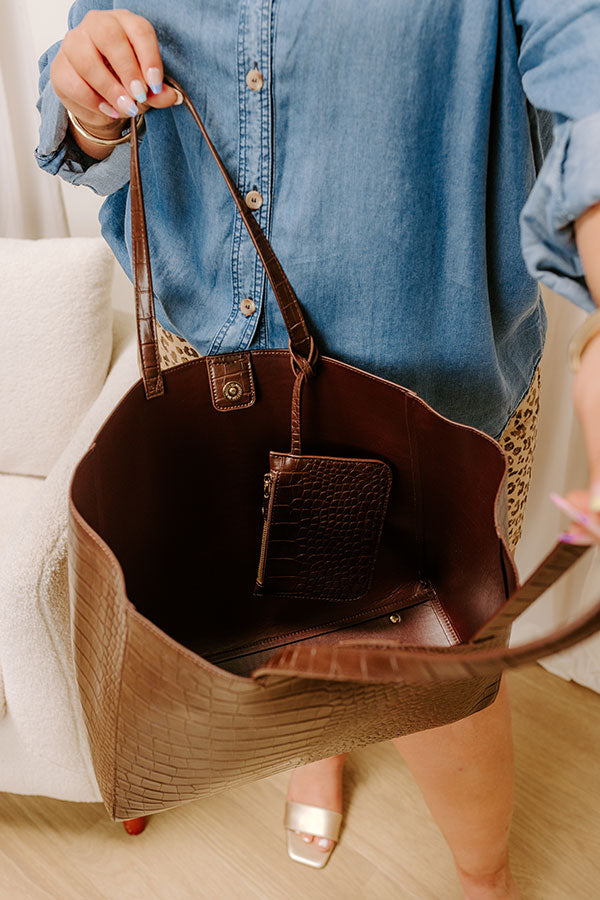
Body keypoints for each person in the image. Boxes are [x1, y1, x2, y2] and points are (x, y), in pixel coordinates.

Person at [34, 2, 600, 896]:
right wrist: (84, 99)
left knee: (432, 672)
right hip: (213, 372)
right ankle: (311, 743)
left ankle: (483, 874)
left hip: (424, 401)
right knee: (278, 632)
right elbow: (80, 70)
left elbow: (586, 51)